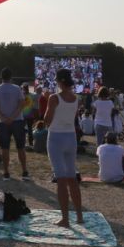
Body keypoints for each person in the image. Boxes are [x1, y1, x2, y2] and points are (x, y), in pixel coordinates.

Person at [43, 68, 84, 227]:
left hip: (56, 137)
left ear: (59, 81)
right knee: (72, 177)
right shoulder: (76, 98)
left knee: (61, 179)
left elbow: (47, 119)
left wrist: (47, 101)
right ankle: (79, 215)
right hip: (70, 137)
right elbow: (72, 118)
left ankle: (65, 218)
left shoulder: (54, 98)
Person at [0, 68, 29, 180]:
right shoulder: (17, 88)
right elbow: (22, 104)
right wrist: (12, 117)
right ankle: (24, 171)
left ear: (1, 77)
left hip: (3, 122)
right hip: (17, 121)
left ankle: (6, 172)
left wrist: (3, 117)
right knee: (20, 147)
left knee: (5, 148)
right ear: (11, 77)